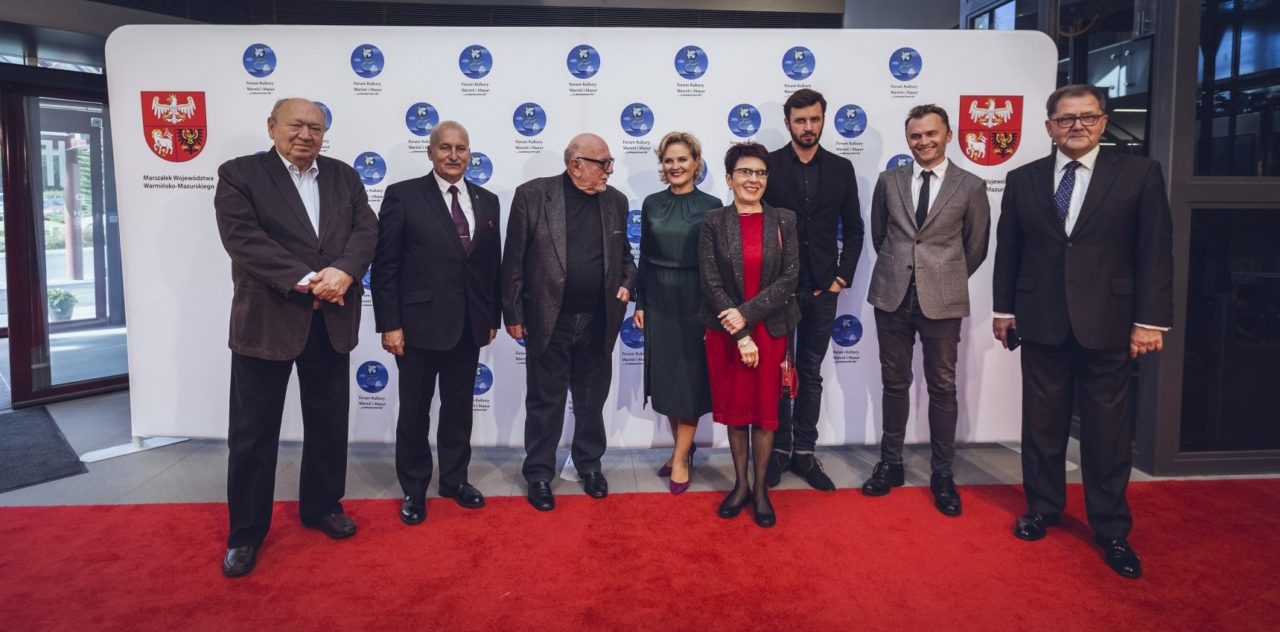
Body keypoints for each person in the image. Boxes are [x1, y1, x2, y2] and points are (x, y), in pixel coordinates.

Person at [992, 84, 1173, 579]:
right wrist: (1004, 311)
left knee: (1107, 432)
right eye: (1066, 118)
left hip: (1110, 323)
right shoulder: (1024, 178)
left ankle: (1111, 528)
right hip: (1041, 319)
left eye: (1087, 117)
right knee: (1041, 425)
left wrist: (1150, 321)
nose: (1077, 126)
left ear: (1103, 122)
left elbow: (1155, 251)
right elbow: (1010, 249)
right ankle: (1043, 508)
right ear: (1049, 126)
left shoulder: (1138, 174)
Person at [213, 97, 377, 577]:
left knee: (328, 424)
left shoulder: (344, 176)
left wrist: (345, 272)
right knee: (252, 434)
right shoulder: (240, 174)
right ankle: (246, 533)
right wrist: (308, 280)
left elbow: (366, 231)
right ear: (272, 127)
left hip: (332, 320)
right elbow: (243, 240)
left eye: (316, 127)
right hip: (267, 322)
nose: (306, 134)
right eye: (296, 125)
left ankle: (322, 506)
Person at [861, 104, 990, 516]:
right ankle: (891, 464)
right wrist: (904, 270)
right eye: (916, 135)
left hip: (943, 300)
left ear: (948, 135)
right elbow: (880, 234)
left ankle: (942, 474)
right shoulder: (889, 181)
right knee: (893, 383)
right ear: (908, 139)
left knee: (942, 387)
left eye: (931, 134)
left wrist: (942, 276)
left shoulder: (971, 185)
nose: (924, 141)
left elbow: (976, 247)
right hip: (892, 296)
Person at [371, 121, 501, 526]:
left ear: (470, 153)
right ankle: (414, 488)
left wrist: (491, 316)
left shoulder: (488, 201)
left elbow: (490, 267)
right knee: (414, 412)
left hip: (469, 325)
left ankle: (455, 480)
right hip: (416, 327)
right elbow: (385, 266)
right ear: (430, 152)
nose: (454, 155)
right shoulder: (403, 195)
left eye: (461, 148)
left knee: (459, 409)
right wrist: (389, 323)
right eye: (445, 147)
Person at [502, 133, 637, 511]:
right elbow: (513, 259)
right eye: (602, 163)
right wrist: (513, 313)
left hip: (599, 320)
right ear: (576, 165)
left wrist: (627, 282)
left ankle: (589, 466)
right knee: (545, 402)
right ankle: (539, 474)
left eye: (610, 162)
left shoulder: (615, 201)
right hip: (548, 319)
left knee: (591, 401)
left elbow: (625, 256)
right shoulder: (533, 196)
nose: (609, 170)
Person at [763, 88, 865, 491]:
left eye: (815, 119)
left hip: (823, 290)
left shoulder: (841, 168)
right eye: (800, 120)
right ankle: (777, 451)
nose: (808, 127)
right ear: (787, 122)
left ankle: (804, 451)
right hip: (777, 290)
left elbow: (854, 229)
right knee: (777, 373)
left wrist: (840, 278)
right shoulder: (768, 165)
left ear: (824, 120)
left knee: (810, 372)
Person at [699, 142, 801, 528]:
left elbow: (789, 278)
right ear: (729, 178)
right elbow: (711, 282)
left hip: (770, 331)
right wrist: (741, 332)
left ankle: (761, 491)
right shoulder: (713, 222)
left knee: (764, 412)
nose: (753, 179)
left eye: (760, 172)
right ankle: (740, 485)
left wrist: (746, 315)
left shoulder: (784, 220)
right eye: (745, 172)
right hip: (727, 334)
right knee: (737, 411)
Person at [633, 131, 720, 494]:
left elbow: (717, 264)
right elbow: (644, 257)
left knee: (690, 384)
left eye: (682, 159)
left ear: (696, 163)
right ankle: (683, 448)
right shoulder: (652, 203)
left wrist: (714, 310)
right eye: (668, 160)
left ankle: (681, 458)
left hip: (696, 301)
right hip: (659, 301)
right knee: (668, 383)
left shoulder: (713, 205)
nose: (675, 166)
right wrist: (640, 302)